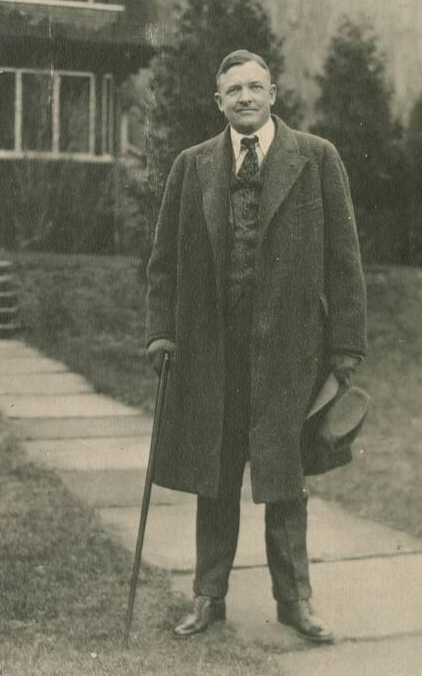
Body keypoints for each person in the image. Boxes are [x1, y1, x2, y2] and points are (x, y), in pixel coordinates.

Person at [146, 50, 367, 643]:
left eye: (254, 87)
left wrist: (346, 346)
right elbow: (164, 263)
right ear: (218, 102)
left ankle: (296, 601)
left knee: (284, 478)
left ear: (273, 93)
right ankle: (207, 597)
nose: (244, 97)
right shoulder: (192, 166)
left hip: (292, 353)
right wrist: (162, 330)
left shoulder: (317, 159)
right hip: (213, 349)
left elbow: (345, 260)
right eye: (232, 90)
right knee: (213, 476)